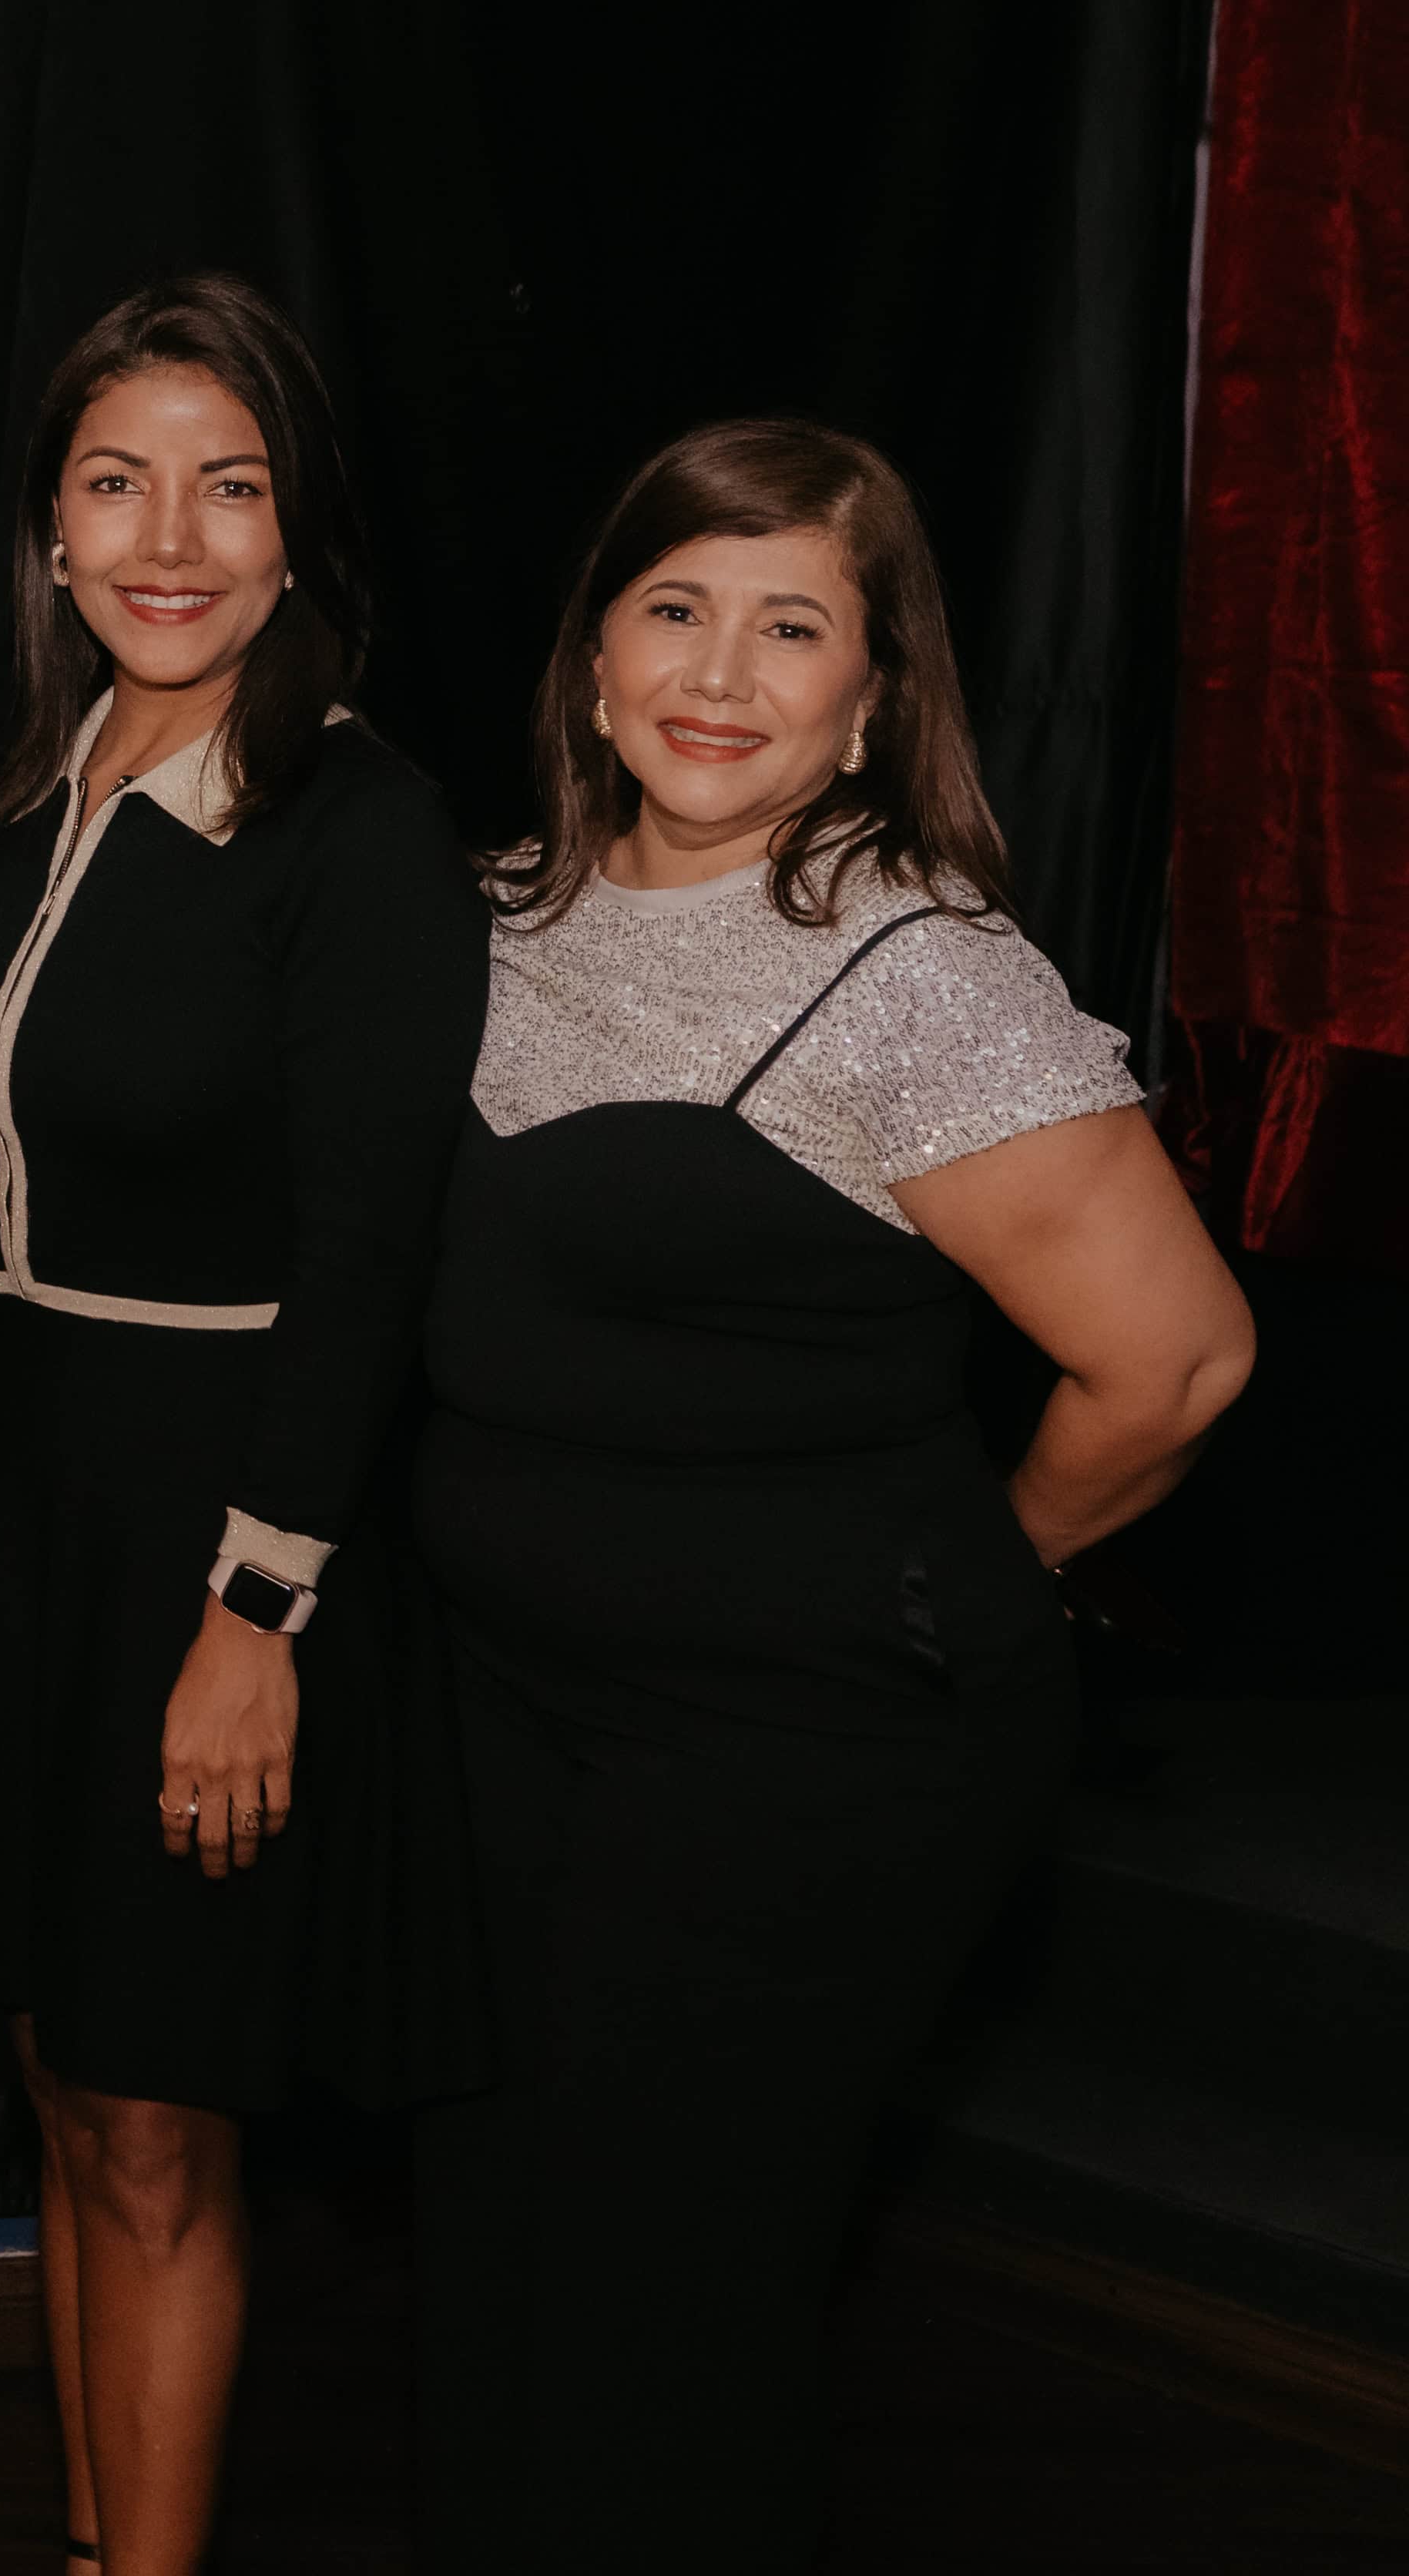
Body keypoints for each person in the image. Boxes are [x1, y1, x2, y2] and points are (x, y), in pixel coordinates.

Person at [409, 419, 1251, 2572]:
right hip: (510, 1722)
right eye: (678, 608)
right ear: (595, 659)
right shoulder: (496, 912)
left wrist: (996, 1566)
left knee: (663, 2308)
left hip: (811, 1759)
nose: (720, 670)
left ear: (874, 700)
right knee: (505, 2257)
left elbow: (1174, 1363)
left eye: (794, 628)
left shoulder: (921, 982)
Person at [0, 277, 484, 2575]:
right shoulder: (12, 797)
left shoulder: (357, 833)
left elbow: (374, 1258)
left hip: (214, 1522)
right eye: (117, 482)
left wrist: (259, 1615)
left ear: (299, 531)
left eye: (230, 483)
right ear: (51, 531)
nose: (170, 534)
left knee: (152, 2116)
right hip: (12, 1496)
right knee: (58, 2079)